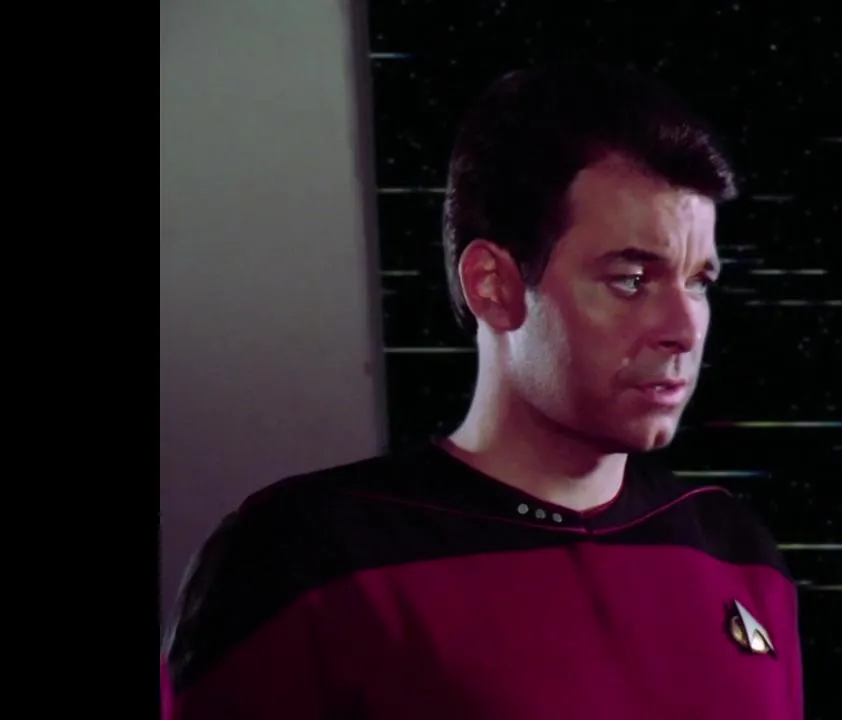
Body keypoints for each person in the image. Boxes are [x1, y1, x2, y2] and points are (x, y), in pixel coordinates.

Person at [161, 63, 804, 719]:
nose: (685, 328)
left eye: (698, 282)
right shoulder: (307, 561)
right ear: (493, 285)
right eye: (632, 280)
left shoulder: (737, 552)